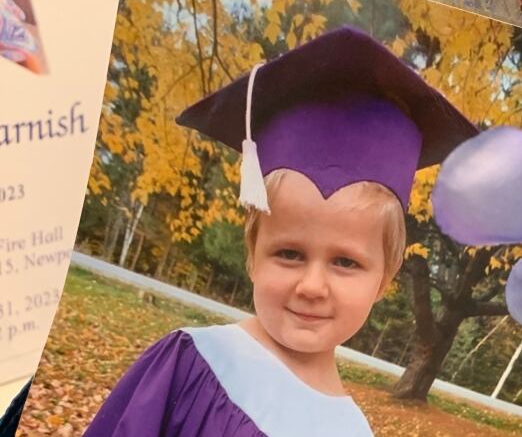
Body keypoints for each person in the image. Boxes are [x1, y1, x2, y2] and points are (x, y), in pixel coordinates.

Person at [83, 26, 477, 437]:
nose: (311, 286)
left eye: (346, 261)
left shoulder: (352, 432)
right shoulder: (194, 361)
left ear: (384, 280)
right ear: (253, 251)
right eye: (289, 253)